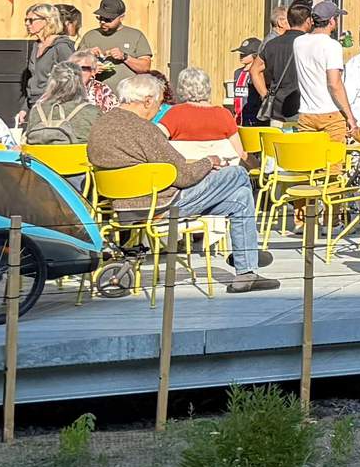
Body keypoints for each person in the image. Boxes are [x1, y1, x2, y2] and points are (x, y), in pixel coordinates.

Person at [88, 71, 275, 291]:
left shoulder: (100, 125)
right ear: (147, 101)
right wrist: (209, 161)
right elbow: (184, 176)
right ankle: (246, 256)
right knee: (238, 175)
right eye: (158, 104)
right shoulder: (143, 130)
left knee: (241, 198)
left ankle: (246, 271)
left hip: (121, 204)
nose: (159, 109)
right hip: (161, 204)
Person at [292, 0, 360, 143]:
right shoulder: (331, 45)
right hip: (331, 113)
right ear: (331, 21)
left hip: (306, 113)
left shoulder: (298, 42)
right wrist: (350, 117)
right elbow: (334, 84)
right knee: (333, 163)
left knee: (308, 163)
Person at [79, 0, 156, 93]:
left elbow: (145, 67)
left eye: (108, 19)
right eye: (100, 18)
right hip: (95, 97)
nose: (103, 22)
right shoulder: (90, 36)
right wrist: (88, 60)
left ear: (121, 17)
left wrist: (124, 57)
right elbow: (73, 67)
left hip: (127, 97)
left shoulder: (135, 35)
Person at [254, 0, 311, 125]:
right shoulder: (310, 43)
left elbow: (254, 70)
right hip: (304, 109)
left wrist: (265, 95)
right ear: (308, 22)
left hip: (277, 110)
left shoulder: (272, 44)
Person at [19, 2, 75, 124]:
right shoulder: (36, 45)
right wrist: (24, 108)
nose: (27, 24)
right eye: (26, 20)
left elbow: (73, 79)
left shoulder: (61, 46)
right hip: (35, 106)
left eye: (31, 20)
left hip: (54, 108)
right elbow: (33, 80)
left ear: (47, 21)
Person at [20, 62, 94, 147]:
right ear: (80, 83)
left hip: (40, 159)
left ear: (52, 83)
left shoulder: (36, 110)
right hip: (75, 159)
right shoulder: (91, 112)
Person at [162, 67, 242, 143]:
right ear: (208, 87)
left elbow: (155, 139)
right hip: (217, 156)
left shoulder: (175, 113)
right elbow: (239, 153)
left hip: (185, 157)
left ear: (181, 88)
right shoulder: (224, 115)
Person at [229, 38, 266, 125]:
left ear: (255, 55)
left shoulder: (258, 73)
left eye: (244, 54)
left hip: (253, 118)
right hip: (238, 117)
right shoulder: (237, 72)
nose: (241, 56)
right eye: (240, 54)